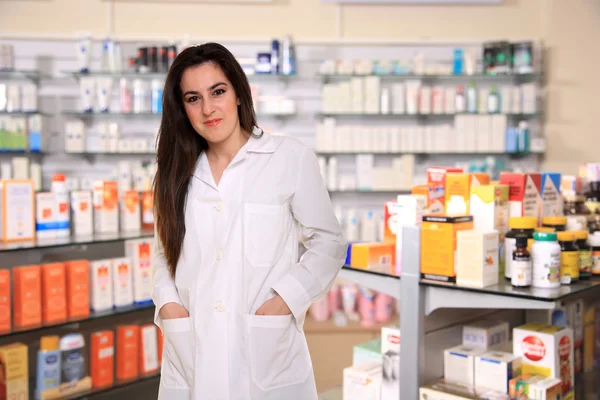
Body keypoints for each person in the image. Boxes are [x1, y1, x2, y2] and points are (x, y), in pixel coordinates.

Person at [152, 42, 347, 400]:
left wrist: (285, 299)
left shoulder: (289, 158)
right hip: (192, 348)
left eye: (218, 91)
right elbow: (163, 249)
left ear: (239, 94)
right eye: (193, 98)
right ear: (182, 108)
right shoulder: (176, 172)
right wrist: (168, 304)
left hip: (265, 353)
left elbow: (330, 242)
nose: (208, 108)